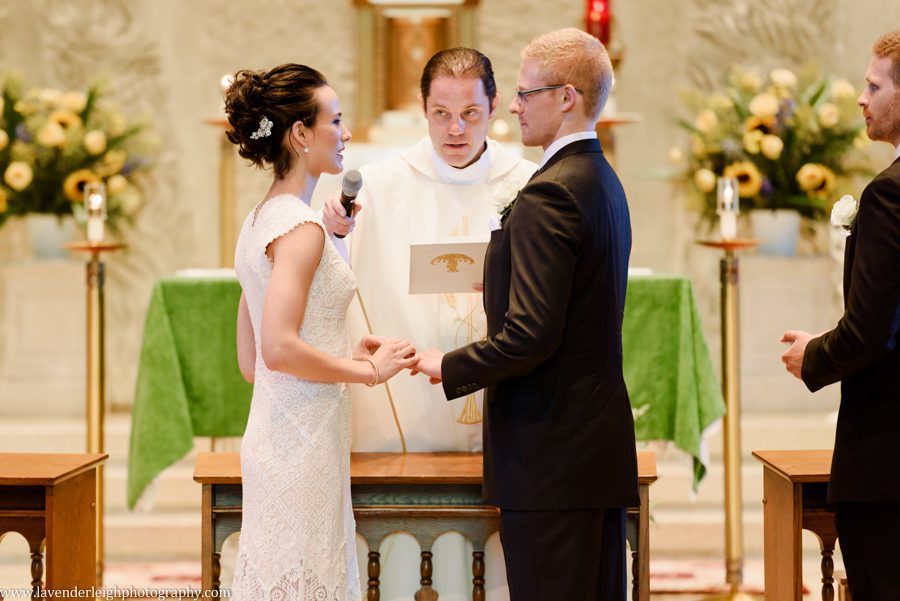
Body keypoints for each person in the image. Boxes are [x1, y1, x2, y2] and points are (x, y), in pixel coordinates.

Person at [415, 29, 639, 600]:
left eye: (524, 92)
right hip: (590, 449)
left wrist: (451, 363)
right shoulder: (601, 178)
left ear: (566, 97)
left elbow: (532, 333)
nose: (512, 106)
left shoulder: (552, 192)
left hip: (551, 455)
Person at [323, 49, 537, 601]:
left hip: (506, 404)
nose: (456, 128)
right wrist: (337, 233)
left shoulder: (531, 185)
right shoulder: (376, 186)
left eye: (470, 112)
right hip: (407, 407)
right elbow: (331, 275)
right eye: (441, 113)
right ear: (422, 107)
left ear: (495, 107)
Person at [226, 63, 418, 600]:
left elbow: (253, 360)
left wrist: (340, 346)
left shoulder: (260, 219)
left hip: (274, 431)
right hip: (302, 442)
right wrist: (366, 371)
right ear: (300, 134)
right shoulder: (302, 229)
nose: (347, 133)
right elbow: (280, 348)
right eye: (335, 120)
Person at [781, 30, 900, 599]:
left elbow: (873, 329)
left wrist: (813, 356)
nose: (861, 97)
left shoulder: (890, 194)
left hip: (888, 460)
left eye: (874, 86)